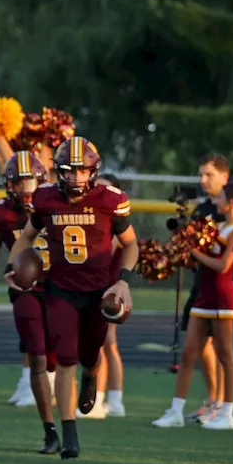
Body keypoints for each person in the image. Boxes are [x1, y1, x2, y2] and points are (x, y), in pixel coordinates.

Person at [6, 137, 138, 460]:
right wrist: (13, 266)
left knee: (90, 354)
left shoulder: (111, 200)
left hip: (98, 293)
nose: (76, 178)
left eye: (82, 172)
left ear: (93, 171)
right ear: (59, 172)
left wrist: (123, 282)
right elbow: (26, 236)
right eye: (69, 172)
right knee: (65, 359)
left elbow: (132, 244)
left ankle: (92, 373)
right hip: (60, 290)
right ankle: (70, 434)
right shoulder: (46, 198)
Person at [0, 151, 60, 452]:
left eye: (29, 181)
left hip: (60, 288)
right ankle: (50, 430)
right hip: (24, 290)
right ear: (8, 183)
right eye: (19, 182)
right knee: (36, 355)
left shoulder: (54, 204)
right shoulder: (1, 213)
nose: (25, 189)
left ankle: (70, 426)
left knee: (62, 357)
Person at [152, 183, 233, 430]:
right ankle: (175, 411)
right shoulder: (219, 227)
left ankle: (227, 414)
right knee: (188, 353)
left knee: (225, 354)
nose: (215, 201)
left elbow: (223, 266)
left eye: (221, 197)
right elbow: (205, 262)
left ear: (232, 201)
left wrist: (192, 251)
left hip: (224, 298)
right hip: (204, 296)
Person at [176, 154, 231, 423]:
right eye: (201, 174)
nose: (203, 180)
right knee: (198, 347)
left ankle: (221, 405)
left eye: (209, 174)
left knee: (222, 348)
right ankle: (212, 399)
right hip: (201, 285)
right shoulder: (202, 209)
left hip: (226, 288)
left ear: (225, 176)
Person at [79, 173, 127, 419]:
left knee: (105, 343)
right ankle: (114, 400)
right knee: (108, 344)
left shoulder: (115, 226)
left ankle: (103, 399)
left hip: (109, 288)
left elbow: (109, 249)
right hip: (99, 287)